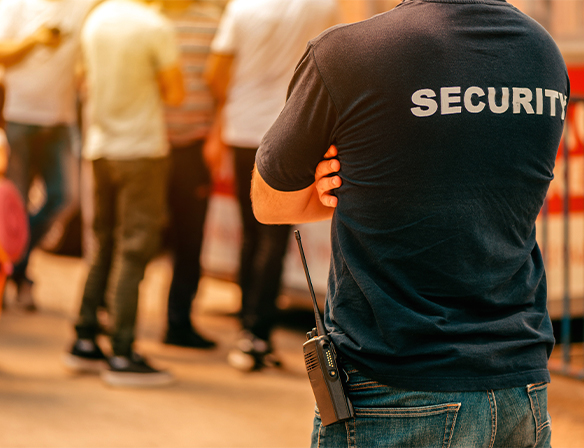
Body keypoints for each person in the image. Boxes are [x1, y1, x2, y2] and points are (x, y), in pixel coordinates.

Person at [251, 0, 568, 446]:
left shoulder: (347, 52)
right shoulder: (542, 51)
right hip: (520, 386)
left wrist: (340, 188)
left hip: (394, 388)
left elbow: (269, 202)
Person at [204, 0, 339, 371]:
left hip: (242, 127)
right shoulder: (320, 6)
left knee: (251, 230)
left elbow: (217, 72)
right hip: (291, 130)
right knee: (277, 234)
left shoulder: (241, 9)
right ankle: (257, 332)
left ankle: (247, 324)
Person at [63, 0, 184, 387]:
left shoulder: (95, 19)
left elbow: (80, 79)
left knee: (102, 241)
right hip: (142, 150)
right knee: (134, 248)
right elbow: (176, 92)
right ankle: (122, 351)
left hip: (101, 147)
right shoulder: (154, 25)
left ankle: (84, 338)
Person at [0, 0, 98, 311]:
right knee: (10, 207)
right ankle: (14, 273)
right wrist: (34, 40)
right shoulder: (15, 4)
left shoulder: (81, 5)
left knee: (64, 198)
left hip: (60, 120)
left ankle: (15, 263)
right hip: (17, 117)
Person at [159, 0, 223, 350]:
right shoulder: (151, 19)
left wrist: (216, 134)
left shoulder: (215, 22)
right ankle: (118, 318)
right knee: (142, 238)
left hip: (195, 147)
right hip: (151, 145)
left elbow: (222, 84)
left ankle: (178, 321)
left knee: (189, 239)